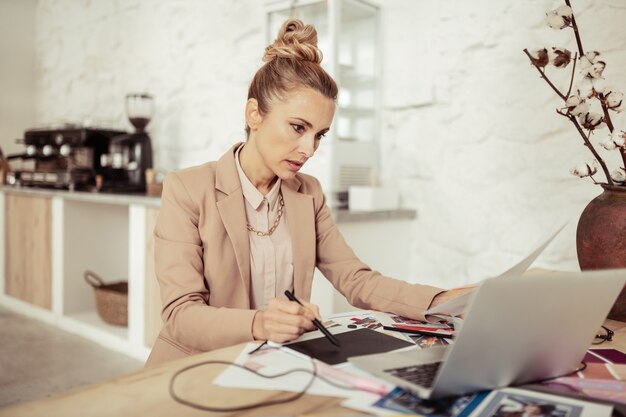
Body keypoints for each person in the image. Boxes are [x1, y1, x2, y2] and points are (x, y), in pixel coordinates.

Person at [146, 18, 468, 366]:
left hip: (275, 365)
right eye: (298, 127)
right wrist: (260, 323)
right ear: (254, 114)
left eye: (319, 135)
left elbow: (355, 279)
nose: (309, 148)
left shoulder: (308, 193)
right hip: (197, 367)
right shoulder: (188, 188)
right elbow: (181, 314)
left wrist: (442, 301)